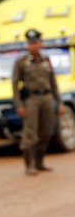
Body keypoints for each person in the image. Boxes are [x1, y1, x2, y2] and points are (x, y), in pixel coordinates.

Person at [12, 29, 64, 175]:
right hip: (31, 100)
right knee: (30, 132)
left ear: (41, 44)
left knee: (46, 131)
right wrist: (19, 104)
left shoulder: (46, 60)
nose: (33, 46)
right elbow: (15, 85)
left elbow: (53, 83)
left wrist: (59, 102)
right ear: (27, 45)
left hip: (47, 98)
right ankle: (29, 165)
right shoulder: (21, 62)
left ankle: (40, 162)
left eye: (36, 43)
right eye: (30, 43)